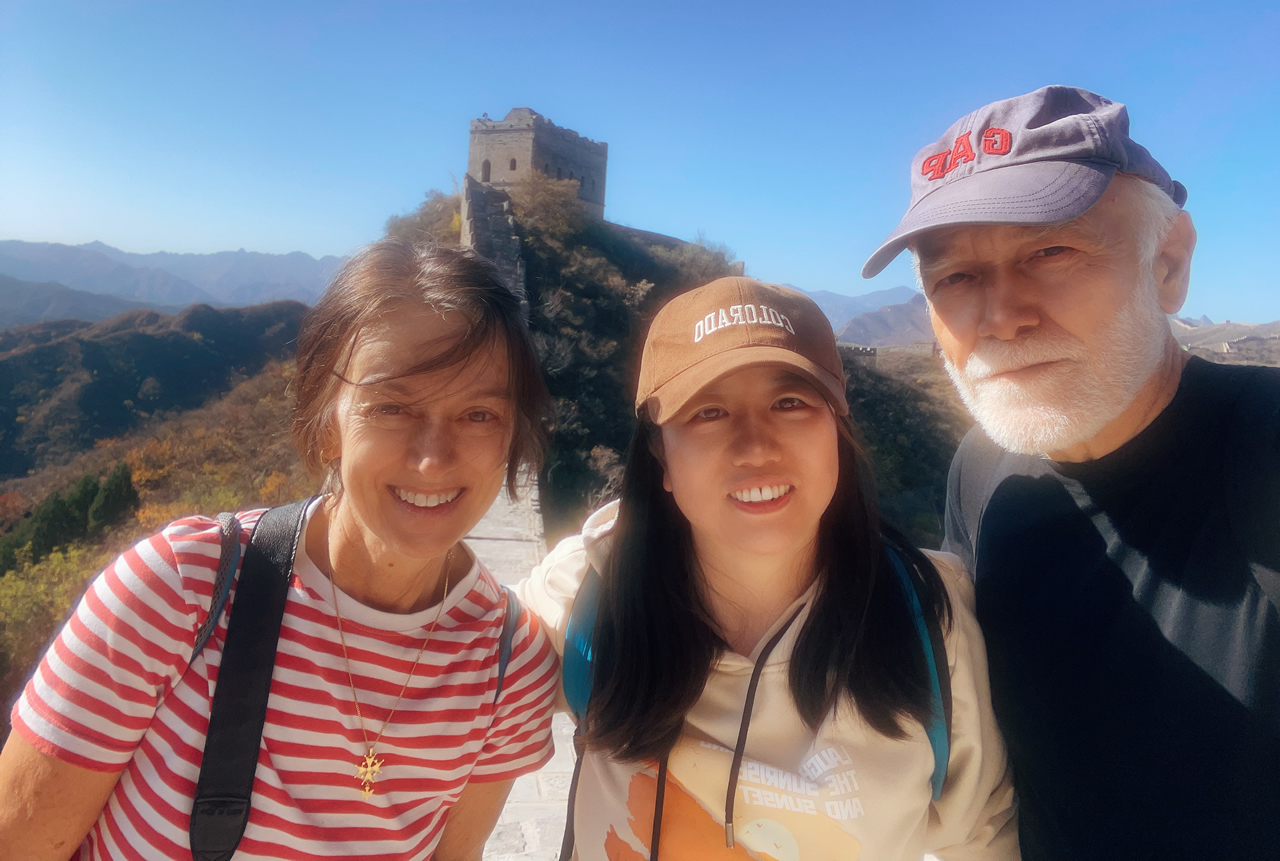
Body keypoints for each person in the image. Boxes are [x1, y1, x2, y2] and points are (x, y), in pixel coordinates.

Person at [0, 240, 560, 860]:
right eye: (391, 407)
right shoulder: (180, 592)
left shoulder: (510, 669)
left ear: (514, 437)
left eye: (479, 415)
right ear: (327, 426)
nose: (433, 457)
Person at [862, 85, 1280, 859]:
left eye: (1051, 252)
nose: (1001, 315)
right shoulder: (984, 472)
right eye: (954, 277)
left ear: (1168, 262)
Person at [520, 277, 1017, 860]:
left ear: (838, 429)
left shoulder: (930, 620)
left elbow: (984, 837)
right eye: (709, 412)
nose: (755, 447)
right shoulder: (590, 591)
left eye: (790, 403)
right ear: (661, 458)